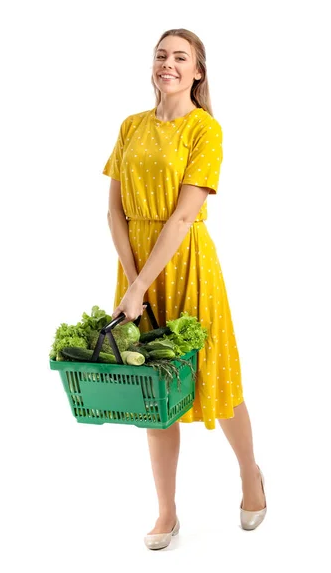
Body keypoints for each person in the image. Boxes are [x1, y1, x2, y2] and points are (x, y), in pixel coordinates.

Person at [102, 28, 267, 550]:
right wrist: (132, 283)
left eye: (180, 57)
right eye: (160, 56)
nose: (167, 64)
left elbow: (183, 215)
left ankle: (250, 475)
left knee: (215, 379)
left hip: (187, 263)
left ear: (197, 71)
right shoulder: (130, 127)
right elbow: (113, 210)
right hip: (136, 270)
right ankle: (167, 512)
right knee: (152, 389)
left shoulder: (205, 130)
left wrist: (141, 283)